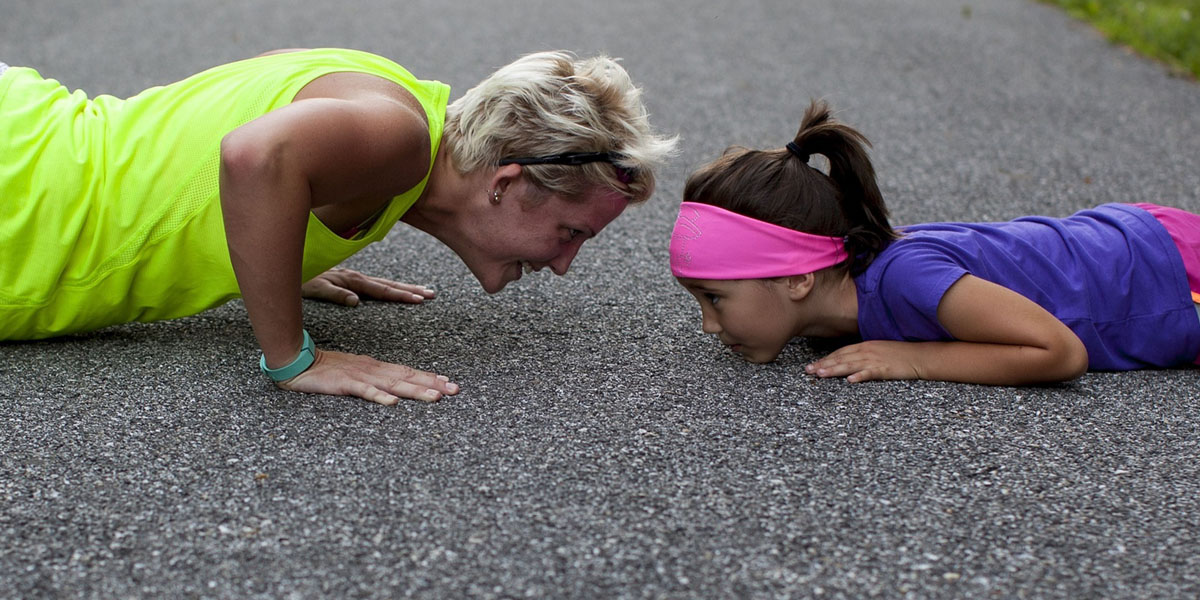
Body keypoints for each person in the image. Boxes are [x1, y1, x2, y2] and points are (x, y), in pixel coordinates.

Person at [0, 48, 676, 404]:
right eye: (571, 233)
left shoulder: (396, 105)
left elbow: (217, 138)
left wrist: (276, 246)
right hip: (21, 205)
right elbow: (253, 155)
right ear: (506, 184)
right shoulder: (400, 138)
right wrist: (292, 354)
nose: (564, 264)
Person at [669, 100, 1200, 386]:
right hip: (1142, 242)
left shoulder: (905, 278)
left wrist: (915, 359)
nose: (708, 325)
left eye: (715, 298)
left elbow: (1059, 352)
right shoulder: (834, 301)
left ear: (798, 278)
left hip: (1168, 272)